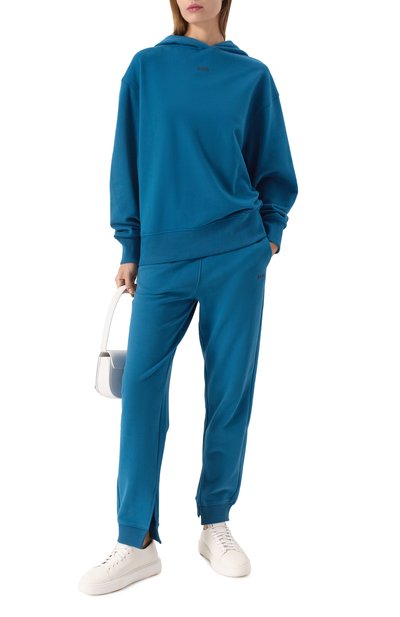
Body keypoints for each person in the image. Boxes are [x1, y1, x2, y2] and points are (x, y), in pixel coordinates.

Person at [79, 0, 298, 595]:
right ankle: (136, 540)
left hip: (237, 254)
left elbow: (274, 167)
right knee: (142, 391)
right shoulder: (147, 68)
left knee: (229, 388)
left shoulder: (252, 76)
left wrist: (268, 238)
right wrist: (130, 244)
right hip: (163, 257)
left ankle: (215, 522)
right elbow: (126, 156)